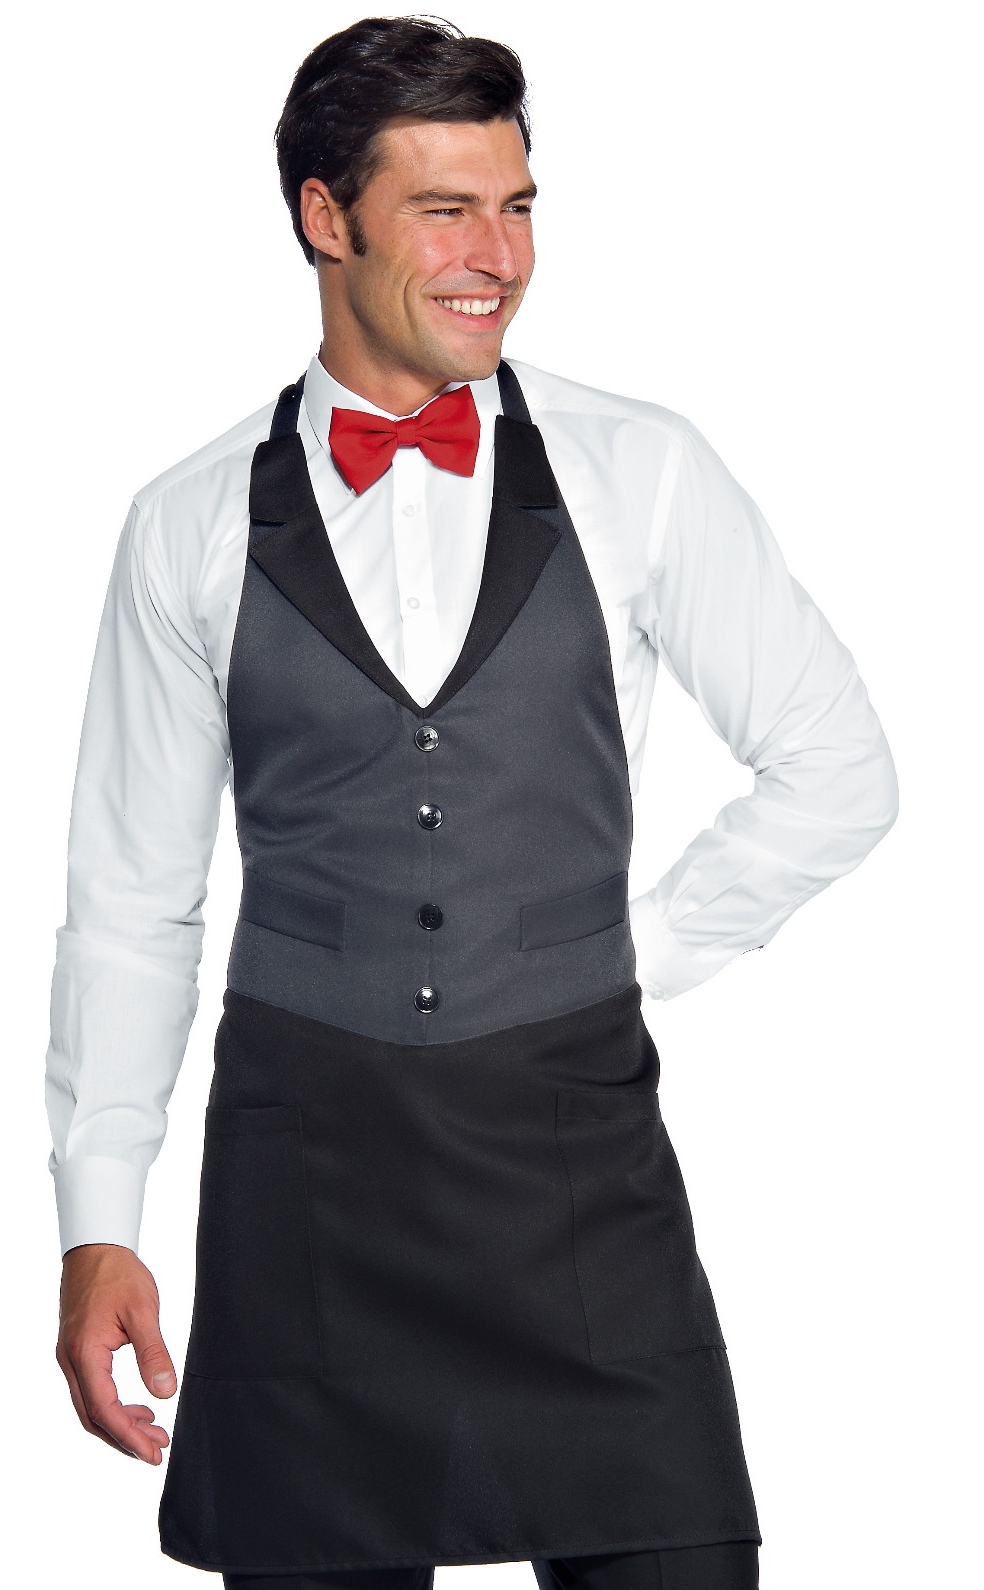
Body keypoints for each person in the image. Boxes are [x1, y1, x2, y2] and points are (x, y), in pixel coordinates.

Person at [46, 16, 898, 1590]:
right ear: (327, 217)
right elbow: (131, 900)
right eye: (445, 210)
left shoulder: (641, 468)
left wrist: (634, 950)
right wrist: (98, 1216)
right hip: (308, 1194)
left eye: (516, 208)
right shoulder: (185, 523)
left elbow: (838, 761)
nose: (496, 256)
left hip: (576, 1181)